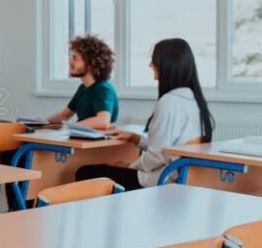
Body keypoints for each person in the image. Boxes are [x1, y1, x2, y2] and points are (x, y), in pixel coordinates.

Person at [75, 38, 214, 190]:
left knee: (84, 172)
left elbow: (157, 156)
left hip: (160, 180)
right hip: (178, 177)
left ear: (166, 64)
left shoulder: (169, 102)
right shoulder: (193, 100)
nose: (150, 65)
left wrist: (129, 166)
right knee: (108, 167)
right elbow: (166, 148)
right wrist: (136, 138)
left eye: (153, 60)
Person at [47, 35, 119, 130]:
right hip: (83, 141)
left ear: (90, 63)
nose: (70, 62)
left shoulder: (103, 89)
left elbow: (103, 121)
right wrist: (43, 121)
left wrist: (69, 126)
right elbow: (64, 115)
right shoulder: (83, 88)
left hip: (98, 143)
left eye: (75, 58)